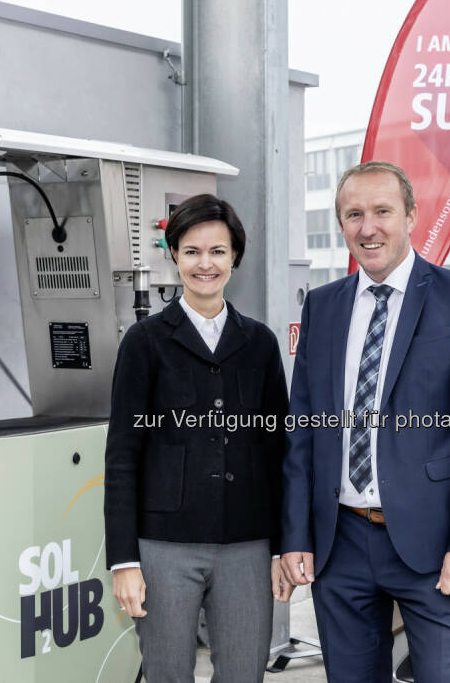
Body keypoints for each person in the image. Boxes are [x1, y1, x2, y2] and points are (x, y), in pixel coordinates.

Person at [281, 161, 450, 682]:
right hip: (340, 546)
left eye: (382, 211)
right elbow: (302, 434)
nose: (368, 227)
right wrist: (296, 535)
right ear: (341, 225)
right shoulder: (323, 306)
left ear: (410, 215)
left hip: (432, 550)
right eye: (353, 215)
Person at [104, 194, 292, 683]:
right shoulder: (144, 342)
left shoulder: (261, 343)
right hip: (165, 546)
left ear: (235, 258)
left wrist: (280, 547)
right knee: (167, 673)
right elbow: (123, 454)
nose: (204, 264)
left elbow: (277, 453)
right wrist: (124, 560)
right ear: (174, 256)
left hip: (247, 545)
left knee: (245, 674)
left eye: (217, 251)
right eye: (191, 251)